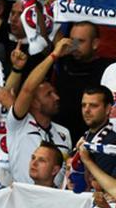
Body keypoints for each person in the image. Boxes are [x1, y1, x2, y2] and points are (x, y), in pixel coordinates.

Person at [5, 38, 71, 186]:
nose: (57, 97)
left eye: (55, 93)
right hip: (23, 200)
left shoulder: (64, 133)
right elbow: (28, 89)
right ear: (33, 102)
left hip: (52, 203)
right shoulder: (19, 123)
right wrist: (53, 55)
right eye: (49, 94)